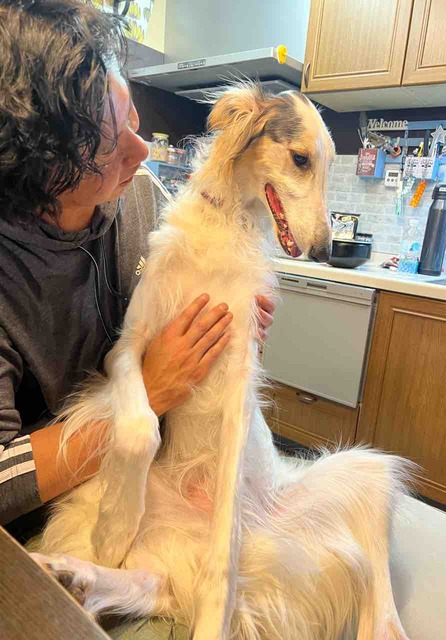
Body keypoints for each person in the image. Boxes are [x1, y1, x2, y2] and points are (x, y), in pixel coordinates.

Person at [0, 0, 274, 529]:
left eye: (131, 117)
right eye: (107, 148)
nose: (141, 151)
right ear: (37, 169)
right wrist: (146, 393)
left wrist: (228, 333)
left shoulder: (142, 194)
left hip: (165, 477)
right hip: (60, 514)